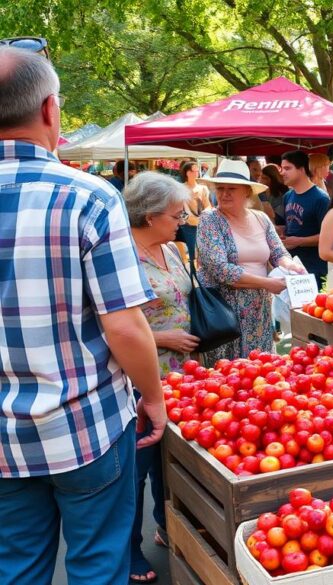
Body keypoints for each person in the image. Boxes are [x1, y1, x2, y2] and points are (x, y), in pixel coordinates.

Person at [0, 46, 165, 585]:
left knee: (17, 567)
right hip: (85, 425)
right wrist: (155, 397)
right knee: (98, 565)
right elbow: (123, 324)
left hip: (4, 437)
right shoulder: (89, 197)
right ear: (51, 109)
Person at [124, 172, 199, 584]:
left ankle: (166, 524)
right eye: (176, 214)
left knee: (170, 464)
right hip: (138, 378)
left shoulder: (170, 250)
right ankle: (129, 549)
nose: (183, 219)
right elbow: (107, 327)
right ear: (151, 216)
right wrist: (163, 336)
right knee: (136, 467)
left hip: (182, 376)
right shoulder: (120, 256)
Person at [196, 159, 302, 364]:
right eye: (220, 188)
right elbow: (221, 270)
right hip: (224, 314)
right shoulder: (210, 220)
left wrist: (290, 266)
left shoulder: (261, 218)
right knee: (230, 375)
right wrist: (267, 283)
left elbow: (278, 252)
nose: (224, 193)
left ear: (246, 191)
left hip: (259, 310)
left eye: (231, 189)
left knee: (260, 372)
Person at [280, 151, 330, 286]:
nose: (282, 172)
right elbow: (290, 226)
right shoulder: (287, 196)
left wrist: (300, 241)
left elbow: (328, 237)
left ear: (301, 169)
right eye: (281, 168)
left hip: (315, 270)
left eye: (287, 168)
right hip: (292, 268)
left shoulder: (321, 199)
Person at [178, 160, 212, 264]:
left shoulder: (203, 188)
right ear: (188, 173)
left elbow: (209, 206)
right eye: (195, 170)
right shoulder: (180, 189)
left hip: (202, 225)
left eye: (198, 170)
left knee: (203, 254)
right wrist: (188, 219)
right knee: (191, 255)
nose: (197, 172)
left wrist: (202, 217)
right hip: (187, 227)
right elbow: (177, 210)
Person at [260, 163, 288, 229]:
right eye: (261, 177)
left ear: (271, 179)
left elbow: (280, 217)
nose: (261, 180)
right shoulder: (261, 191)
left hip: (279, 222)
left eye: (264, 178)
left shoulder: (281, 192)